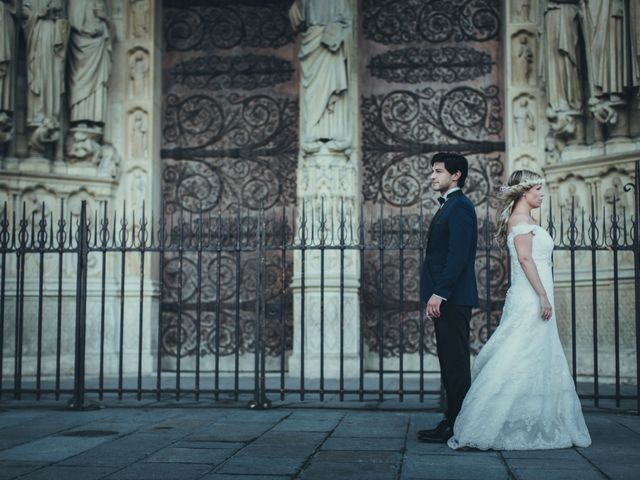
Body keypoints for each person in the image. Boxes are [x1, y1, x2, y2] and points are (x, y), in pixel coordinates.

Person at [447, 170, 591, 450]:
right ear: (524, 192)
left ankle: (532, 418)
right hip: (531, 297)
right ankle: (488, 419)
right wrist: (542, 297)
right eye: (538, 189)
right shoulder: (521, 222)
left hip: (533, 295)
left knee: (535, 354)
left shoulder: (526, 220)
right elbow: (525, 260)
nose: (542, 194)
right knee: (521, 352)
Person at [417, 152, 479, 443]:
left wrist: (439, 293)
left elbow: (457, 256)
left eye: (438, 171)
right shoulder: (450, 206)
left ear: (456, 175)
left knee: (454, 362)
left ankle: (458, 423)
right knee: (449, 360)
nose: (432, 175)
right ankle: (453, 419)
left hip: (452, 298)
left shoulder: (461, 207)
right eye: (432, 171)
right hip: (447, 297)